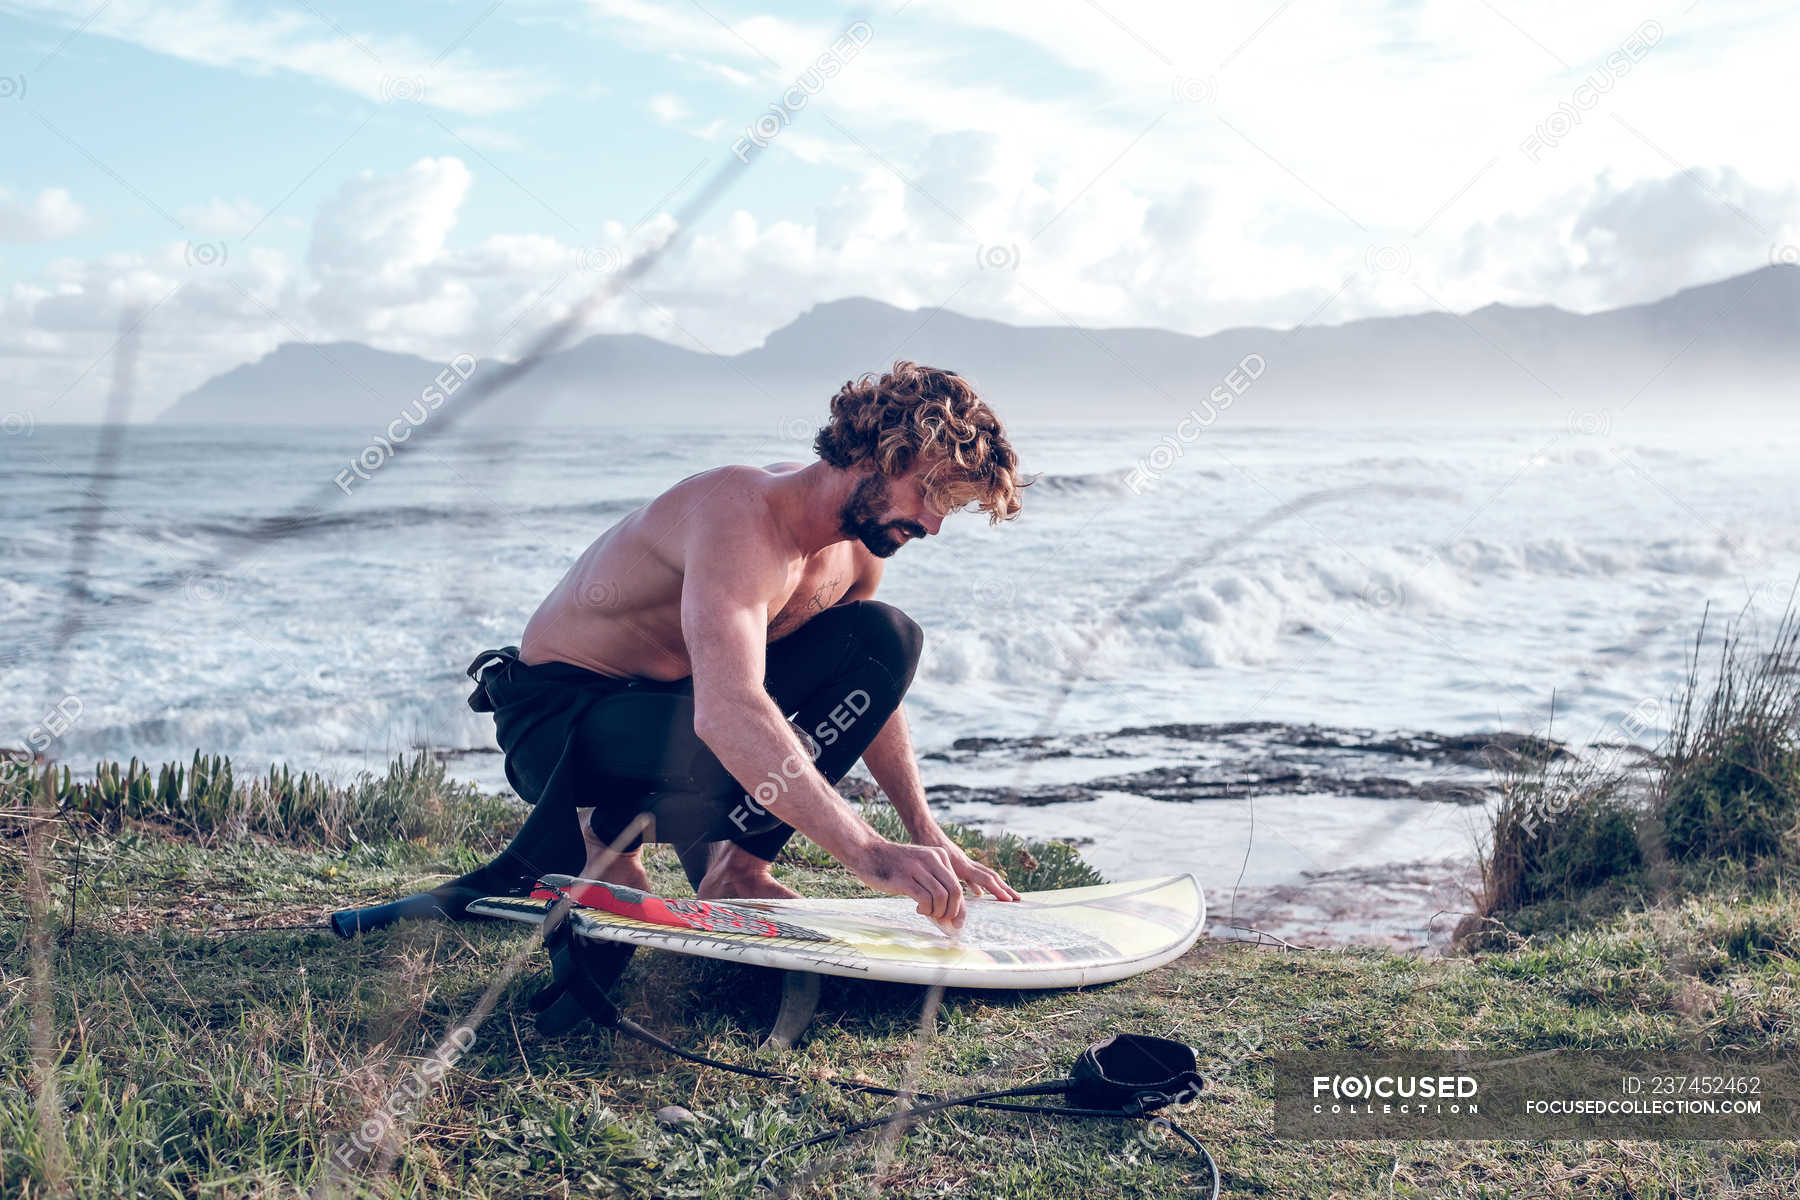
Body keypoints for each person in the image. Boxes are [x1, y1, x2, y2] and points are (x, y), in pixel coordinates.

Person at [450, 361, 1027, 931]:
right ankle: (603, 839)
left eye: (948, 505)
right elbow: (728, 713)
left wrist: (925, 832)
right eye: (928, 492)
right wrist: (870, 856)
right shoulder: (738, 512)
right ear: (874, 455)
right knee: (759, 741)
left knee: (886, 638)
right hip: (560, 722)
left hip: (674, 706)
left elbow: (871, 694)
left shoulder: (858, 555)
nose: (933, 523)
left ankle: (738, 870)